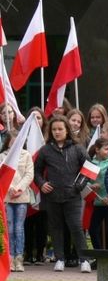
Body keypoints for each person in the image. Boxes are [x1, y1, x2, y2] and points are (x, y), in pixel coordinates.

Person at [34, 115, 91, 273]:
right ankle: (59, 259)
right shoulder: (45, 150)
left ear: (67, 130)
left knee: (75, 227)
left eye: (60, 129)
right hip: (52, 196)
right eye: (54, 129)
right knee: (55, 228)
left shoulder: (77, 148)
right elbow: (36, 171)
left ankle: (84, 259)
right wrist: (42, 183)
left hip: (72, 196)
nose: (57, 132)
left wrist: (79, 186)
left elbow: (89, 168)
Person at [0, 130, 34, 272]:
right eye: (12, 140)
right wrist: (10, 188)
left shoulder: (26, 155)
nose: (15, 143)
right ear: (8, 141)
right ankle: (9, 258)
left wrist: (19, 188)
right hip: (7, 197)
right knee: (9, 227)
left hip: (21, 197)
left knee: (19, 228)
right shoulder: (2, 156)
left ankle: (19, 258)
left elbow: (29, 174)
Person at [23, 107, 48, 265]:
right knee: (27, 223)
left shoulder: (48, 139)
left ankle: (40, 253)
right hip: (26, 186)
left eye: (38, 117)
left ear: (43, 120)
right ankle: (27, 253)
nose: (36, 121)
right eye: (32, 118)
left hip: (44, 186)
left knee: (42, 223)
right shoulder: (22, 139)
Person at [88, 138, 108, 250]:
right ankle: (98, 255)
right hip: (97, 202)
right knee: (93, 230)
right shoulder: (90, 163)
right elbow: (85, 180)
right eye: (106, 149)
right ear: (97, 149)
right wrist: (90, 185)